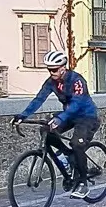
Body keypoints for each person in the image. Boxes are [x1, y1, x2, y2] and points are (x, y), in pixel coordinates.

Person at [16, 49, 100, 198]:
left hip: (86, 116)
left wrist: (60, 118)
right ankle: (68, 155)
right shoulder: (51, 82)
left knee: (77, 144)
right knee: (45, 130)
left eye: (54, 70)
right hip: (69, 116)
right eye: (49, 70)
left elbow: (76, 104)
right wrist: (23, 115)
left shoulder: (77, 80)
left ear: (63, 68)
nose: (51, 73)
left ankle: (82, 183)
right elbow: (39, 99)